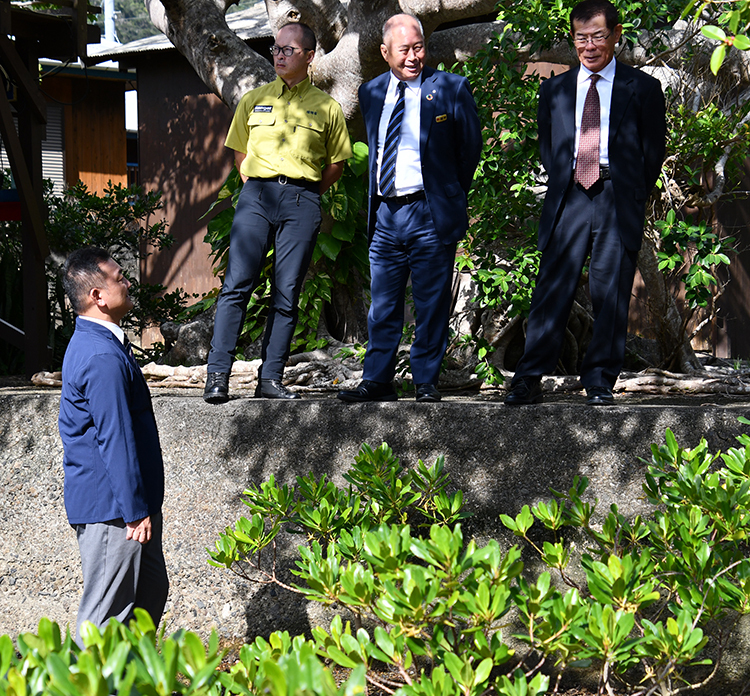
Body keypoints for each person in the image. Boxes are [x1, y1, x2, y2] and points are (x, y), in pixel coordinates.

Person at [505, 0, 666, 406]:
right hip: (570, 196)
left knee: (609, 291)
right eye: (581, 38)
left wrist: (630, 192)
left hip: (616, 195)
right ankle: (528, 378)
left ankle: (599, 381)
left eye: (597, 36)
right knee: (551, 289)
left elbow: (653, 152)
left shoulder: (643, 88)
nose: (589, 46)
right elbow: (549, 146)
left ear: (615, 34)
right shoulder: (555, 89)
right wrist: (568, 177)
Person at [204, 22, 352, 404]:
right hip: (257, 196)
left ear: (308, 56)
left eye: (288, 50)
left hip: (302, 200)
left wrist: (305, 194)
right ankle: (217, 375)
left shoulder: (327, 107)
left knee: (287, 292)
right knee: (237, 284)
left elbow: (336, 163)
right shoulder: (253, 100)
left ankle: (270, 378)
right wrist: (259, 186)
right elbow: (240, 151)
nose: (279, 55)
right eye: (276, 49)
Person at [337, 14, 482, 404]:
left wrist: (446, 193)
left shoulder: (450, 88)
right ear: (385, 53)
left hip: (428, 212)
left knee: (431, 303)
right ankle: (378, 379)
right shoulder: (370, 93)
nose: (414, 56)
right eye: (405, 50)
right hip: (385, 214)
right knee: (382, 304)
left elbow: (470, 149)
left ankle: (424, 380)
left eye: (419, 47)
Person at [58, 247, 168, 644]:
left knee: (149, 596)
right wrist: (134, 511)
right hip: (113, 510)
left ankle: (130, 684)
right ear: (98, 297)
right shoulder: (101, 355)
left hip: (128, 505)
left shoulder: (104, 343)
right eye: (118, 277)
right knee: (105, 619)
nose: (126, 282)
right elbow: (114, 437)